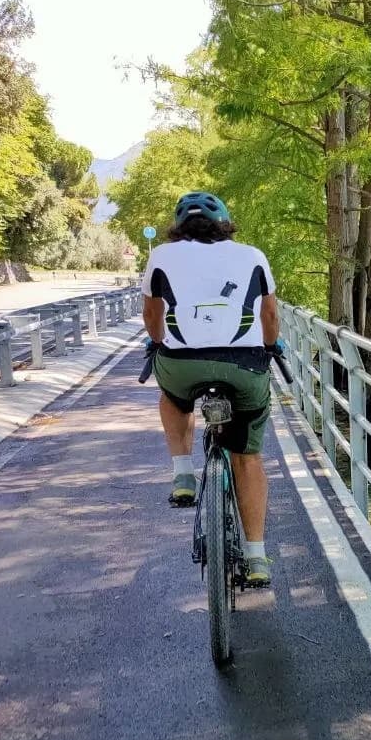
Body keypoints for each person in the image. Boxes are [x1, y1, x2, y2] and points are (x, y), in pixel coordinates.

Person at [141, 191, 281, 587]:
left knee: (172, 397)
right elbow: (269, 313)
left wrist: (158, 343)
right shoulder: (252, 254)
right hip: (244, 366)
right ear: (225, 222)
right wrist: (270, 347)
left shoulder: (161, 256)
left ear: (178, 226)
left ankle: (183, 473)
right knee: (248, 458)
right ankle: (256, 557)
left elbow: (153, 315)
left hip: (182, 365)